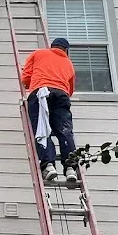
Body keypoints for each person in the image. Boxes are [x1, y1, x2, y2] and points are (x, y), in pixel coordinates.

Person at [21, 37, 78, 187]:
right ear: (66, 51)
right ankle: (71, 168)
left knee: (42, 129)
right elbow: (70, 90)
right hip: (61, 95)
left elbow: (25, 79)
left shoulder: (39, 54)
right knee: (65, 131)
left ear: (51, 46)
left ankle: (48, 165)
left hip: (41, 93)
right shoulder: (69, 64)